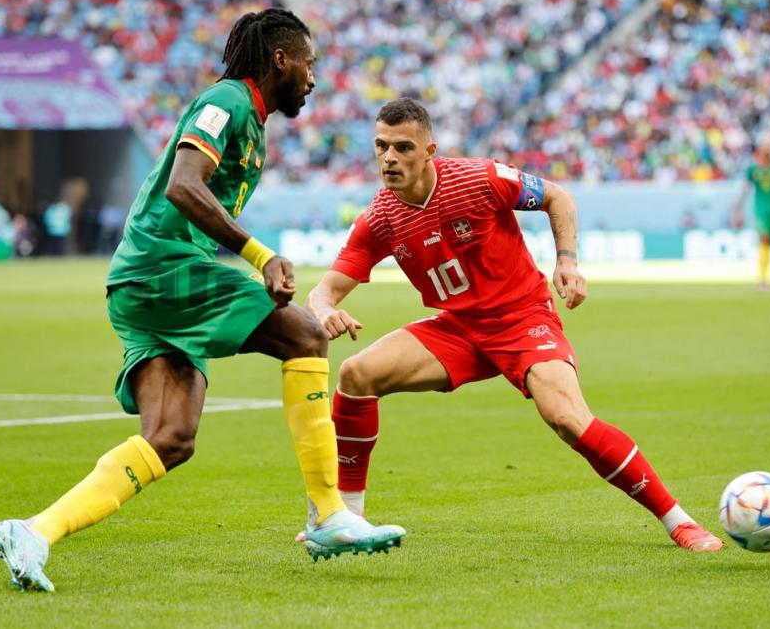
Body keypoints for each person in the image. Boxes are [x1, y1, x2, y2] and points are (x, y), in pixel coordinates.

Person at [0, 9, 404, 593]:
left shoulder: (250, 122)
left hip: (146, 286)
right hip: (165, 269)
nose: (314, 79)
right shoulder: (228, 101)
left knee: (172, 439)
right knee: (305, 335)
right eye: (310, 65)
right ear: (280, 60)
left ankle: (33, 531)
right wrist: (262, 256)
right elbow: (183, 185)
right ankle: (330, 513)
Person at [306, 98, 723, 553]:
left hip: (522, 318)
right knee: (355, 375)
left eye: (403, 147)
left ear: (430, 151)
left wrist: (566, 262)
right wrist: (325, 310)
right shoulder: (381, 217)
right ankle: (348, 516)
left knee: (566, 417)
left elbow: (557, 196)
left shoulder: (477, 178)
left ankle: (679, 521)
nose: (389, 158)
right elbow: (323, 290)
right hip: (459, 328)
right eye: (381, 146)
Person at [735, 134, 770, 288]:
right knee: (764, 238)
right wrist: (738, 207)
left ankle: (765, 274)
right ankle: (763, 278)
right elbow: (746, 189)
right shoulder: (753, 170)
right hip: (760, 209)